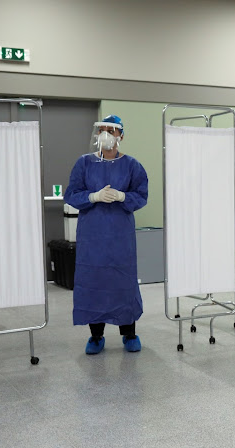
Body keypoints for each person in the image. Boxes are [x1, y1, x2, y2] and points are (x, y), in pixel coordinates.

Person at [64, 115, 149, 354]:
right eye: (102, 130)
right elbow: (72, 193)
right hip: (92, 235)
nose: (105, 135)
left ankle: (129, 333)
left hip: (120, 235)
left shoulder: (132, 165)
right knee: (94, 282)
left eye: (111, 130)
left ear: (121, 135)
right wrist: (92, 197)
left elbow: (141, 196)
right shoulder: (84, 163)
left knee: (123, 282)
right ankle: (96, 336)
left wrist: (123, 197)